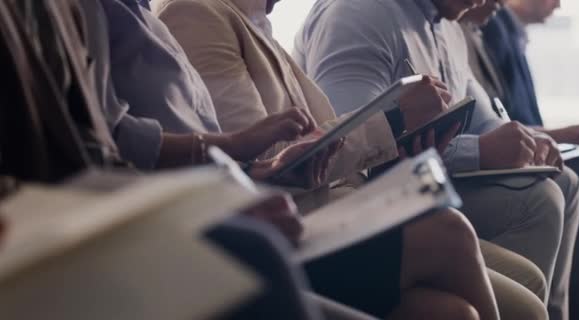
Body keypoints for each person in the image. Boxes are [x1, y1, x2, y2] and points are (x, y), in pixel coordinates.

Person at [155, 0, 552, 319]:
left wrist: (399, 146)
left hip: (332, 203)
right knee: (458, 231)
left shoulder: (255, 23)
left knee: (461, 309)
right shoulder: (198, 12)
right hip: (298, 223)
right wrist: (395, 119)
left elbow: (311, 144)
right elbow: (270, 160)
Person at [292, 0, 579, 319]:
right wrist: (481, 151)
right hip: (361, 200)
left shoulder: (449, 27)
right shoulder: (358, 13)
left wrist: (523, 142)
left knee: (563, 179)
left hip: (418, 184)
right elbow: (352, 153)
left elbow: (485, 121)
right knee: (539, 200)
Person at [461, 1, 579, 319]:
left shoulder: (458, 32)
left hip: (490, 156)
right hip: (461, 173)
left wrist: (545, 137)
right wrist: (543, 137)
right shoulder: (487, 32)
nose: (558, 4)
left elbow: (495, 122)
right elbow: (499, 125)